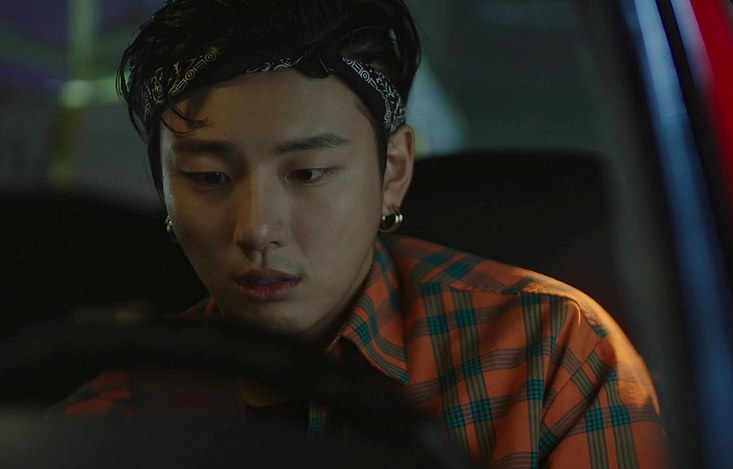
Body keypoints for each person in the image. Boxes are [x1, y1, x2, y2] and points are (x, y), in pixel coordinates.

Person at [52, 0, 670, 466]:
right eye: (208, 177)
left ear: (392, 171)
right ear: (165, 190)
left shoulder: (548, 355)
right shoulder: (103, 424)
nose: (257, 229)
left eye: (307, 173)